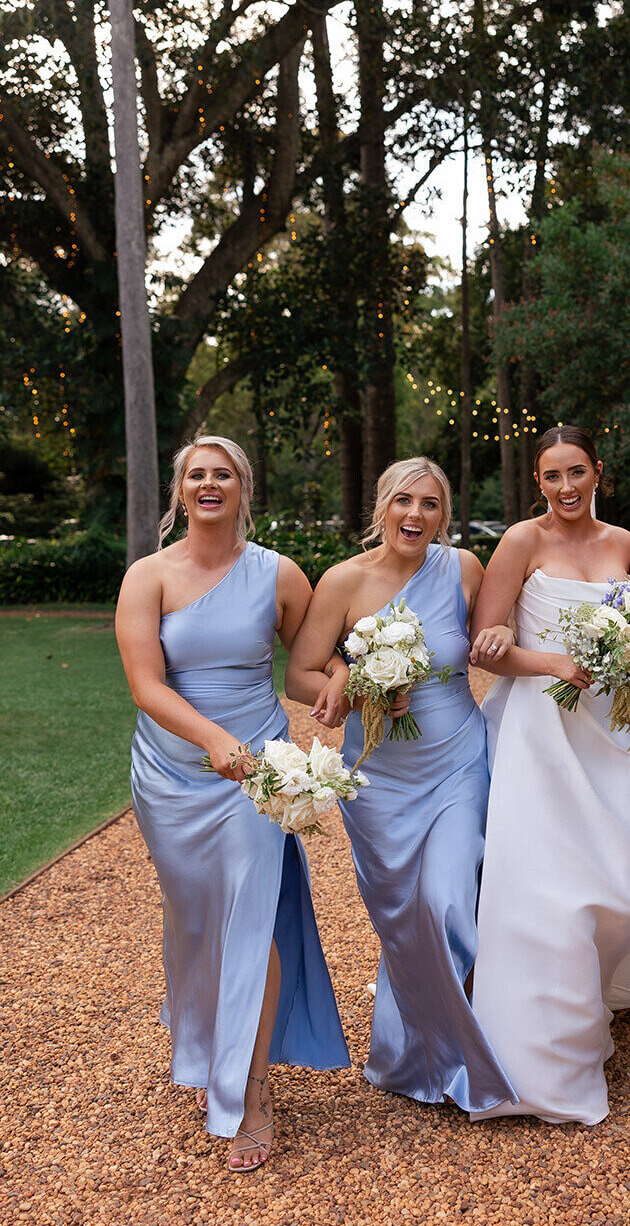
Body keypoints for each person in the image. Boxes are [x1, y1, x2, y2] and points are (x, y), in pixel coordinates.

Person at [115, 436, 350, 1172]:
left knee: (252, 919)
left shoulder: (277, 573)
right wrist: (210, 737)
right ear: (179, 491)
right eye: (196, 475)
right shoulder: (147, 576)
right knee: (196, 924)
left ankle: (251, 1091)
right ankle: (206, 1047)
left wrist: (343, 679)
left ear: (243, 488)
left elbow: (311, 662)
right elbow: (147, 688)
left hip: (257, 774)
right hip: (172, 775)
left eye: (223, 474)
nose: (209, 484)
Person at [467, 426, 630, 1125]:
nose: (564, 488)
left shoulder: (626, 544)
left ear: (599, 472)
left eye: (575, 473)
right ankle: (546, 1053)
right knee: (543, 886)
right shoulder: (520, 543)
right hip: (537, 729)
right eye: (550, 476)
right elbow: (486, 647)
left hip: (609, 727)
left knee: (617, 879)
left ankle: (590, 988)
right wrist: (548, 661)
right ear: (538, 482)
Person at [285, 456, 516, 1113]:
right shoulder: (343, 581)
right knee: (404, 917)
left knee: (446, 901)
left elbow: (494, 639)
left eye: (430, 504)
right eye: (403, 501)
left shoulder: (462, 569)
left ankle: (469, 1056)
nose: (415, 515)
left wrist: (508, 637)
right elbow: (302, 672)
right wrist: (355, 684)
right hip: (379, 778)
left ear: (443, 515)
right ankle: (406, 1053)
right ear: (381, 506)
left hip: (455, 765)